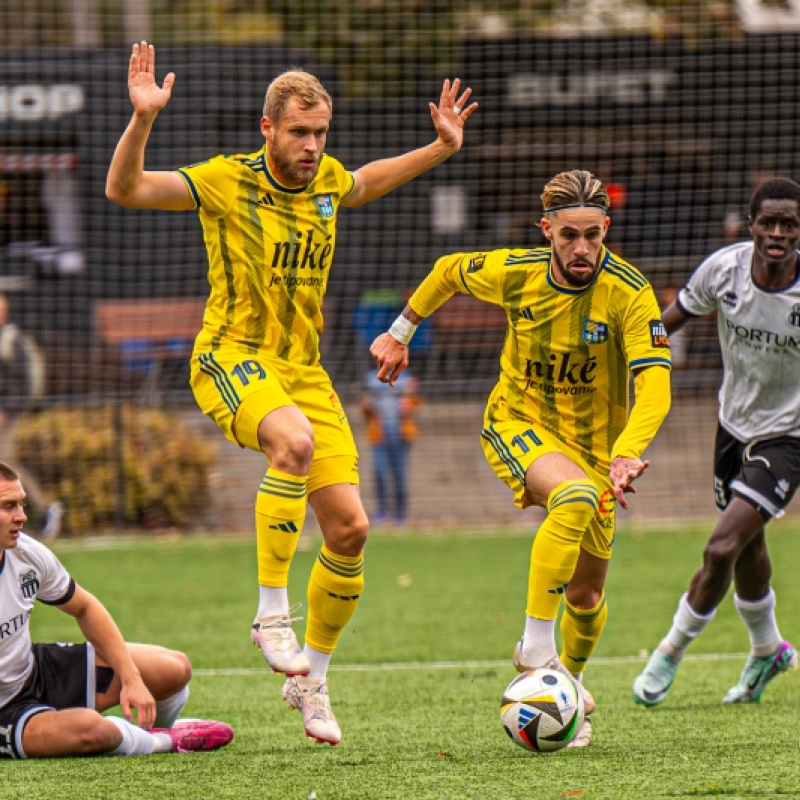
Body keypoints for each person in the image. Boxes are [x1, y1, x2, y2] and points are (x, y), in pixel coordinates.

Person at [105, 41, 477, 746]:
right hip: (231, 355)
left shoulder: (329, 181)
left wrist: (439, 148)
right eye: (299, 132)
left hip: (304, 373)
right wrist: (143, 120)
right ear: (267, 128)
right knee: (293, 444)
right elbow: (125, 190)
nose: (312, 146)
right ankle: (270, 612)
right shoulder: (224, 179)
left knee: (351, 529)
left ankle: (312, 680)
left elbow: (364, 180)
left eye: (320, 133)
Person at [370, 169, 672, 748]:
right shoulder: (517, 272)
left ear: (606, 229)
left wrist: (627, 453)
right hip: (517, 422)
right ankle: (536, 649)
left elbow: (655, 385)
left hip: (596, 450)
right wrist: (400, 332)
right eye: (568, 236)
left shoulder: (631, 292)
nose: (581, 248)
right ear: (547, 232)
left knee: (586, 596)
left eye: (592, 234)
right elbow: (448, 270)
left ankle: (565, 689)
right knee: (575, 495)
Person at [632, 176, 800, 708]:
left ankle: (669, 651)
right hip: (731, 426)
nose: (777, 232)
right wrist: (637, 355)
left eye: (789, 224)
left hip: (788, 437)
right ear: (751, 224)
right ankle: (767, 649)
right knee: (748, 547)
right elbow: (670, 322)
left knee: (721, 546)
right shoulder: (723, 270)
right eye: (768, 222)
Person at [0, 461, 233, 759]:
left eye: (21, 503)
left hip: (35, 670)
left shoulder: (27, 554)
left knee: (173, 668)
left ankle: (144, 731)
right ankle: (166, 742)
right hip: (4, 710)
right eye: (8, 506)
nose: (22, 516)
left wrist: (132, 679)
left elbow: (84, 607)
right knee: (94, 731)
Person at [0, 293, 63, 540]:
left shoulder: (11, 341)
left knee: (5, 460)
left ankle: (46, 508)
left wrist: (7, 410)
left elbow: (21, 383)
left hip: (6, 412)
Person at [359, 369, 420, 526]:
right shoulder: (371, 378)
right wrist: (366, 406)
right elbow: (364, 409)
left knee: (400, 475)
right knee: (379, 473)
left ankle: (400, 513)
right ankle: (382, 510)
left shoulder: (406, 378)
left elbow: (415, 405)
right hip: (379, 435)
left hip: (400, 435)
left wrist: (410, 397)